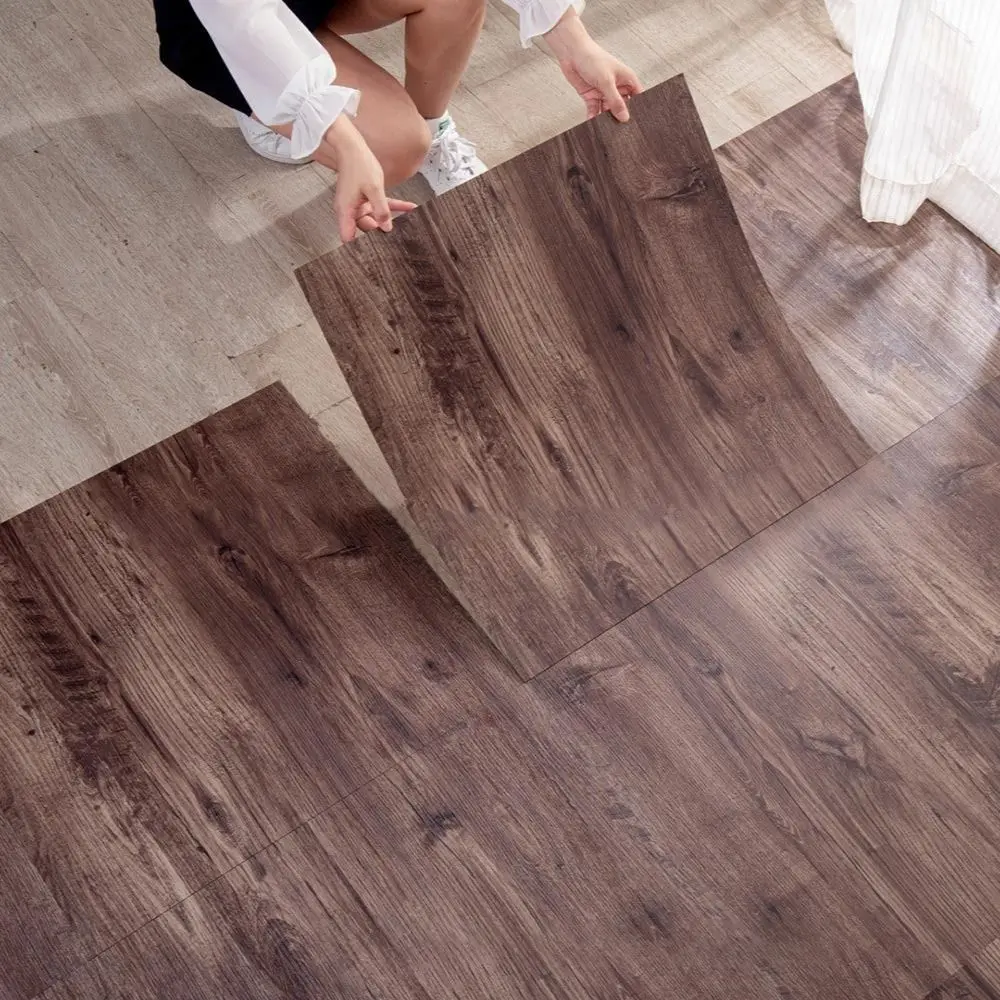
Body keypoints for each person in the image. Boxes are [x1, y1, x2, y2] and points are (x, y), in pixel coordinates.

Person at [155, 0, 642, 241]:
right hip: (228, 30)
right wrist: (343, 139)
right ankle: (264, 107)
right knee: (395, 149)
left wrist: (575, 42)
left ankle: (433, 128)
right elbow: (244, 21)